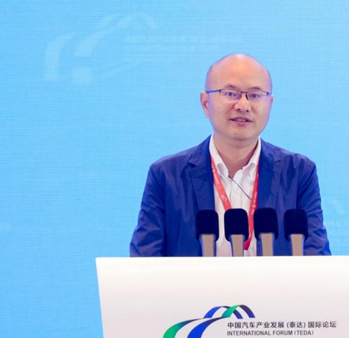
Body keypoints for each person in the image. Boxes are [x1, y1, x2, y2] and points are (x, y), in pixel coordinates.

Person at [130, 54, 330, 256]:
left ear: (270, 103)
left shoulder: (298, 173)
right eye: (230, 93)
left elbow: (317, 258)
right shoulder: (167, 175)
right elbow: (144, 259)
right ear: (205, 103)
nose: (243, 105)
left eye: (255, 95)